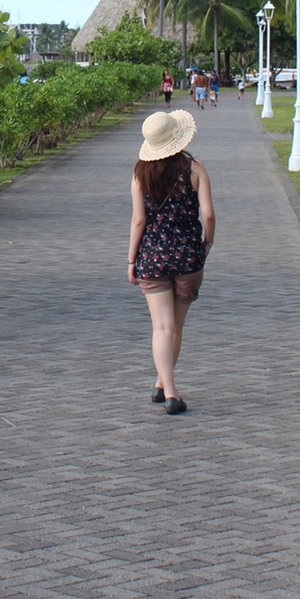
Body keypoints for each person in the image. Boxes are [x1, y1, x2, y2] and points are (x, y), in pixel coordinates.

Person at [127, 110, 215, 415]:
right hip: (189, 255)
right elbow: (208, 215)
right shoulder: (195, 169)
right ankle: (167, 390)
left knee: (161, 327)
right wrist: (208, 240)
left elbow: (139, 220)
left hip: (152, 256)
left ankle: (166, 387)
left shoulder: (141, 174)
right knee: (175, 327)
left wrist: (130, 260)